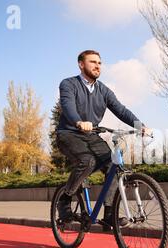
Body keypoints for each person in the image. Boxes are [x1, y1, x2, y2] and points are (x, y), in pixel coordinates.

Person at [56, 49, 151, 231]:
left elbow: (121, 110)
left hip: (91, 135)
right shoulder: (68, 84)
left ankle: (109, 216)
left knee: (113, 166)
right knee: (87, 160)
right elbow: (67, 106)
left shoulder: (103, 90)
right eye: (92, 62)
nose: (97, 66)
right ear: (81, 64)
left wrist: (140, 125)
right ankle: (65, 199)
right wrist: (78, 121)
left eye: (99, 63)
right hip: (68, 133)